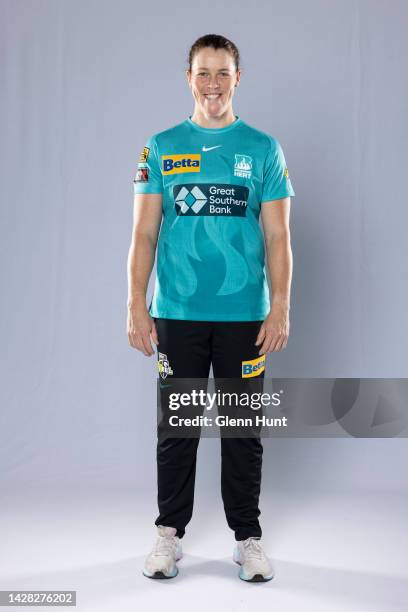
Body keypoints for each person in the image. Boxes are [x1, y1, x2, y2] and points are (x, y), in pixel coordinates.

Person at [127, 34, 295, 582]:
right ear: (188, 77)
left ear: (238, 78)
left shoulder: (264, 149)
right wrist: (136, 304)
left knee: (244, 429)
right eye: (204, 72)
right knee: (178, 427)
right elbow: (144, 234)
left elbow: (278, 239)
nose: (213, 83)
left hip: (246, 314)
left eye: (223, 72)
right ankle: (167, 535)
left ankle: (247, 538)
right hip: (176, 312)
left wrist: (280, 308)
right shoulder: (160, 146)